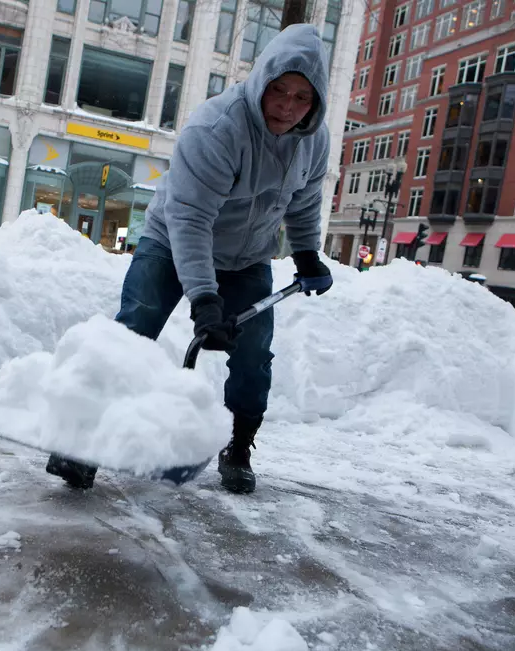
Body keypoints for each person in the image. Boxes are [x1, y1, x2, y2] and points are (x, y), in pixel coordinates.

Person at [47, 24, 333, 494]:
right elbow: (191, 219)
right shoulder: (218, 128)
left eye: (302, 97)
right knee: (135, 328)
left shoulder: (313, 141)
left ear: (315, 102)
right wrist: (204, 299)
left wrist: (306, 253)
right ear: (262, 81)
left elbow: (302, 203)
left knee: (254, 354)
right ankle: (81, 442)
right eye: (279, 90)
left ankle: (238, 446)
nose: (287, 105)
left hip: (248, 257)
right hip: (172, 237)